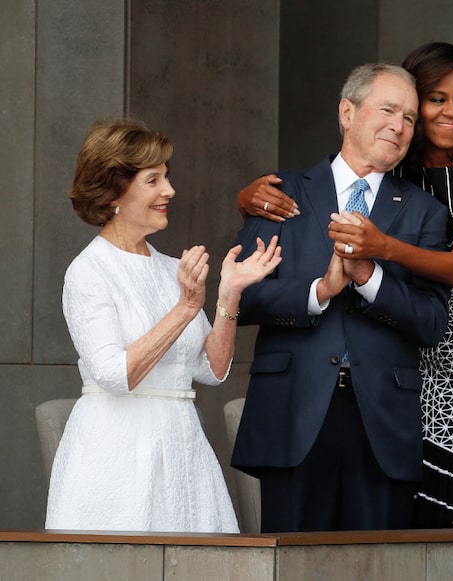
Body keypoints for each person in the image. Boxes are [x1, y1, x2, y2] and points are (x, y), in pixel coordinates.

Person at [238, 43, 453, 528]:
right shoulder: (386, 168)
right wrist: (249, 200)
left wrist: (376, 256)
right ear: (350, 112)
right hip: (423, 375)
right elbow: (257, 274)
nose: (448, 112)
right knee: (434, 514)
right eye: (433, 101)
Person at [229, 63, 451, 533]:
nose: (400, 125)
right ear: (346, 113)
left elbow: (432, 322)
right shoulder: (278, 194)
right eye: (388, 109)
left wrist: (369, 277)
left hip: (383, 422)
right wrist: (319, 291)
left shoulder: (425, 211)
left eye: (410, 118)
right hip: (293, 412)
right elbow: (242, 300)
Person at [46, 119, 282, 532]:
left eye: (167, 178)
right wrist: (187, 305)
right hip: (117, 454)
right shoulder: (89, 272)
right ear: (114, 190)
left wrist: (228, 295)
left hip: (183, 444)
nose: (169, 190)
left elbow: (212, 371)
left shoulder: (172, 268)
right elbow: (115, 374)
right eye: (153, 180)